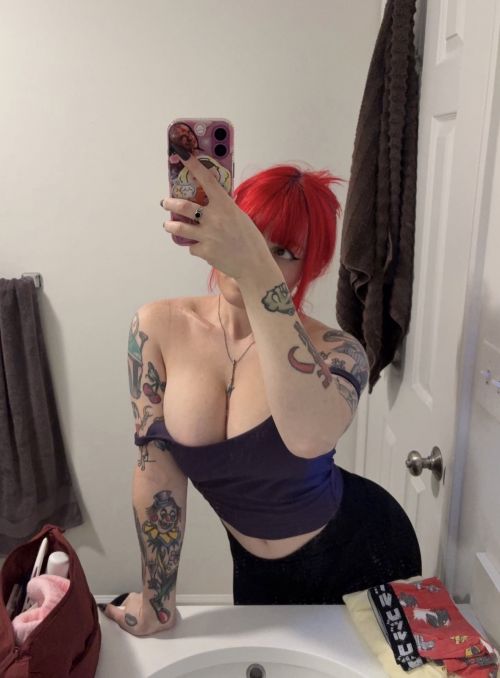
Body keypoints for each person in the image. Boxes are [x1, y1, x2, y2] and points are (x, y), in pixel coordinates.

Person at [103, 149, 421, 636]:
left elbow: (309, 437)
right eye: (252, 236)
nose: (261, 258)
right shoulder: (157, 328)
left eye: (285, 252)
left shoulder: (339, 351)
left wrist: (256, 271)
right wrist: (157, 603)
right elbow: (157, 472)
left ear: (309, 268)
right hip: (256, 569)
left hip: (365, 551)